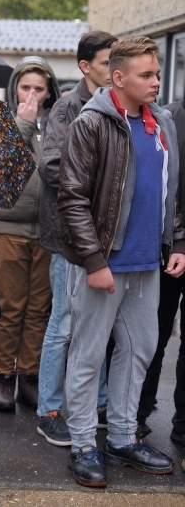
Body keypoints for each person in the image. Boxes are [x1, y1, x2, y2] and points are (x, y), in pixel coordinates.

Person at [59, 36, 185, 488]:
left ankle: (123, 437)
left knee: (140, 351)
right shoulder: (91, 123)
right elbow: (71, 198)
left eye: (157, 73)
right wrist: (94, 261)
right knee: (89, 354)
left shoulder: (163, 124)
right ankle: (82, 445)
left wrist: (178, 242)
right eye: (146, 75)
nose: (156, 82)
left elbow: (173, 193)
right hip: (104, 263)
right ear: (118, 78)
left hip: (148, 263)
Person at [36, 31, 117, 446]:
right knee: (64, 324)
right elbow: (51, 166)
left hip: (105, 240)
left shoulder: (119, 107)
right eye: (107, 63)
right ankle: (49, 409)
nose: (114, 70)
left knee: (98, 324)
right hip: (68, 236)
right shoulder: (67, 109)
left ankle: (99, 403)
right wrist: (99, 181)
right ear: (86, 67)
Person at [0, 56, 60, 412]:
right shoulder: (1, 121)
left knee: (38, 310)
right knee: (9, 308)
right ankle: (3, 376)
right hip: (6, 226)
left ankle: (29, 376)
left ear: (49, 92)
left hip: (47, 230)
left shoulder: (59, 123)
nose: (31, 93)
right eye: (25, 86)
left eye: (39, 88)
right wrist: (22, 124)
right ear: (15, 87)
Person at [136, 95, 185, 441]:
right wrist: (179, 242)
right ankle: (135, 418)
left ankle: (182, 428)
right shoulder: (168, 118)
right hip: (169, 246)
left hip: (172, 244)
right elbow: (167, 190)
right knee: (151, 336)